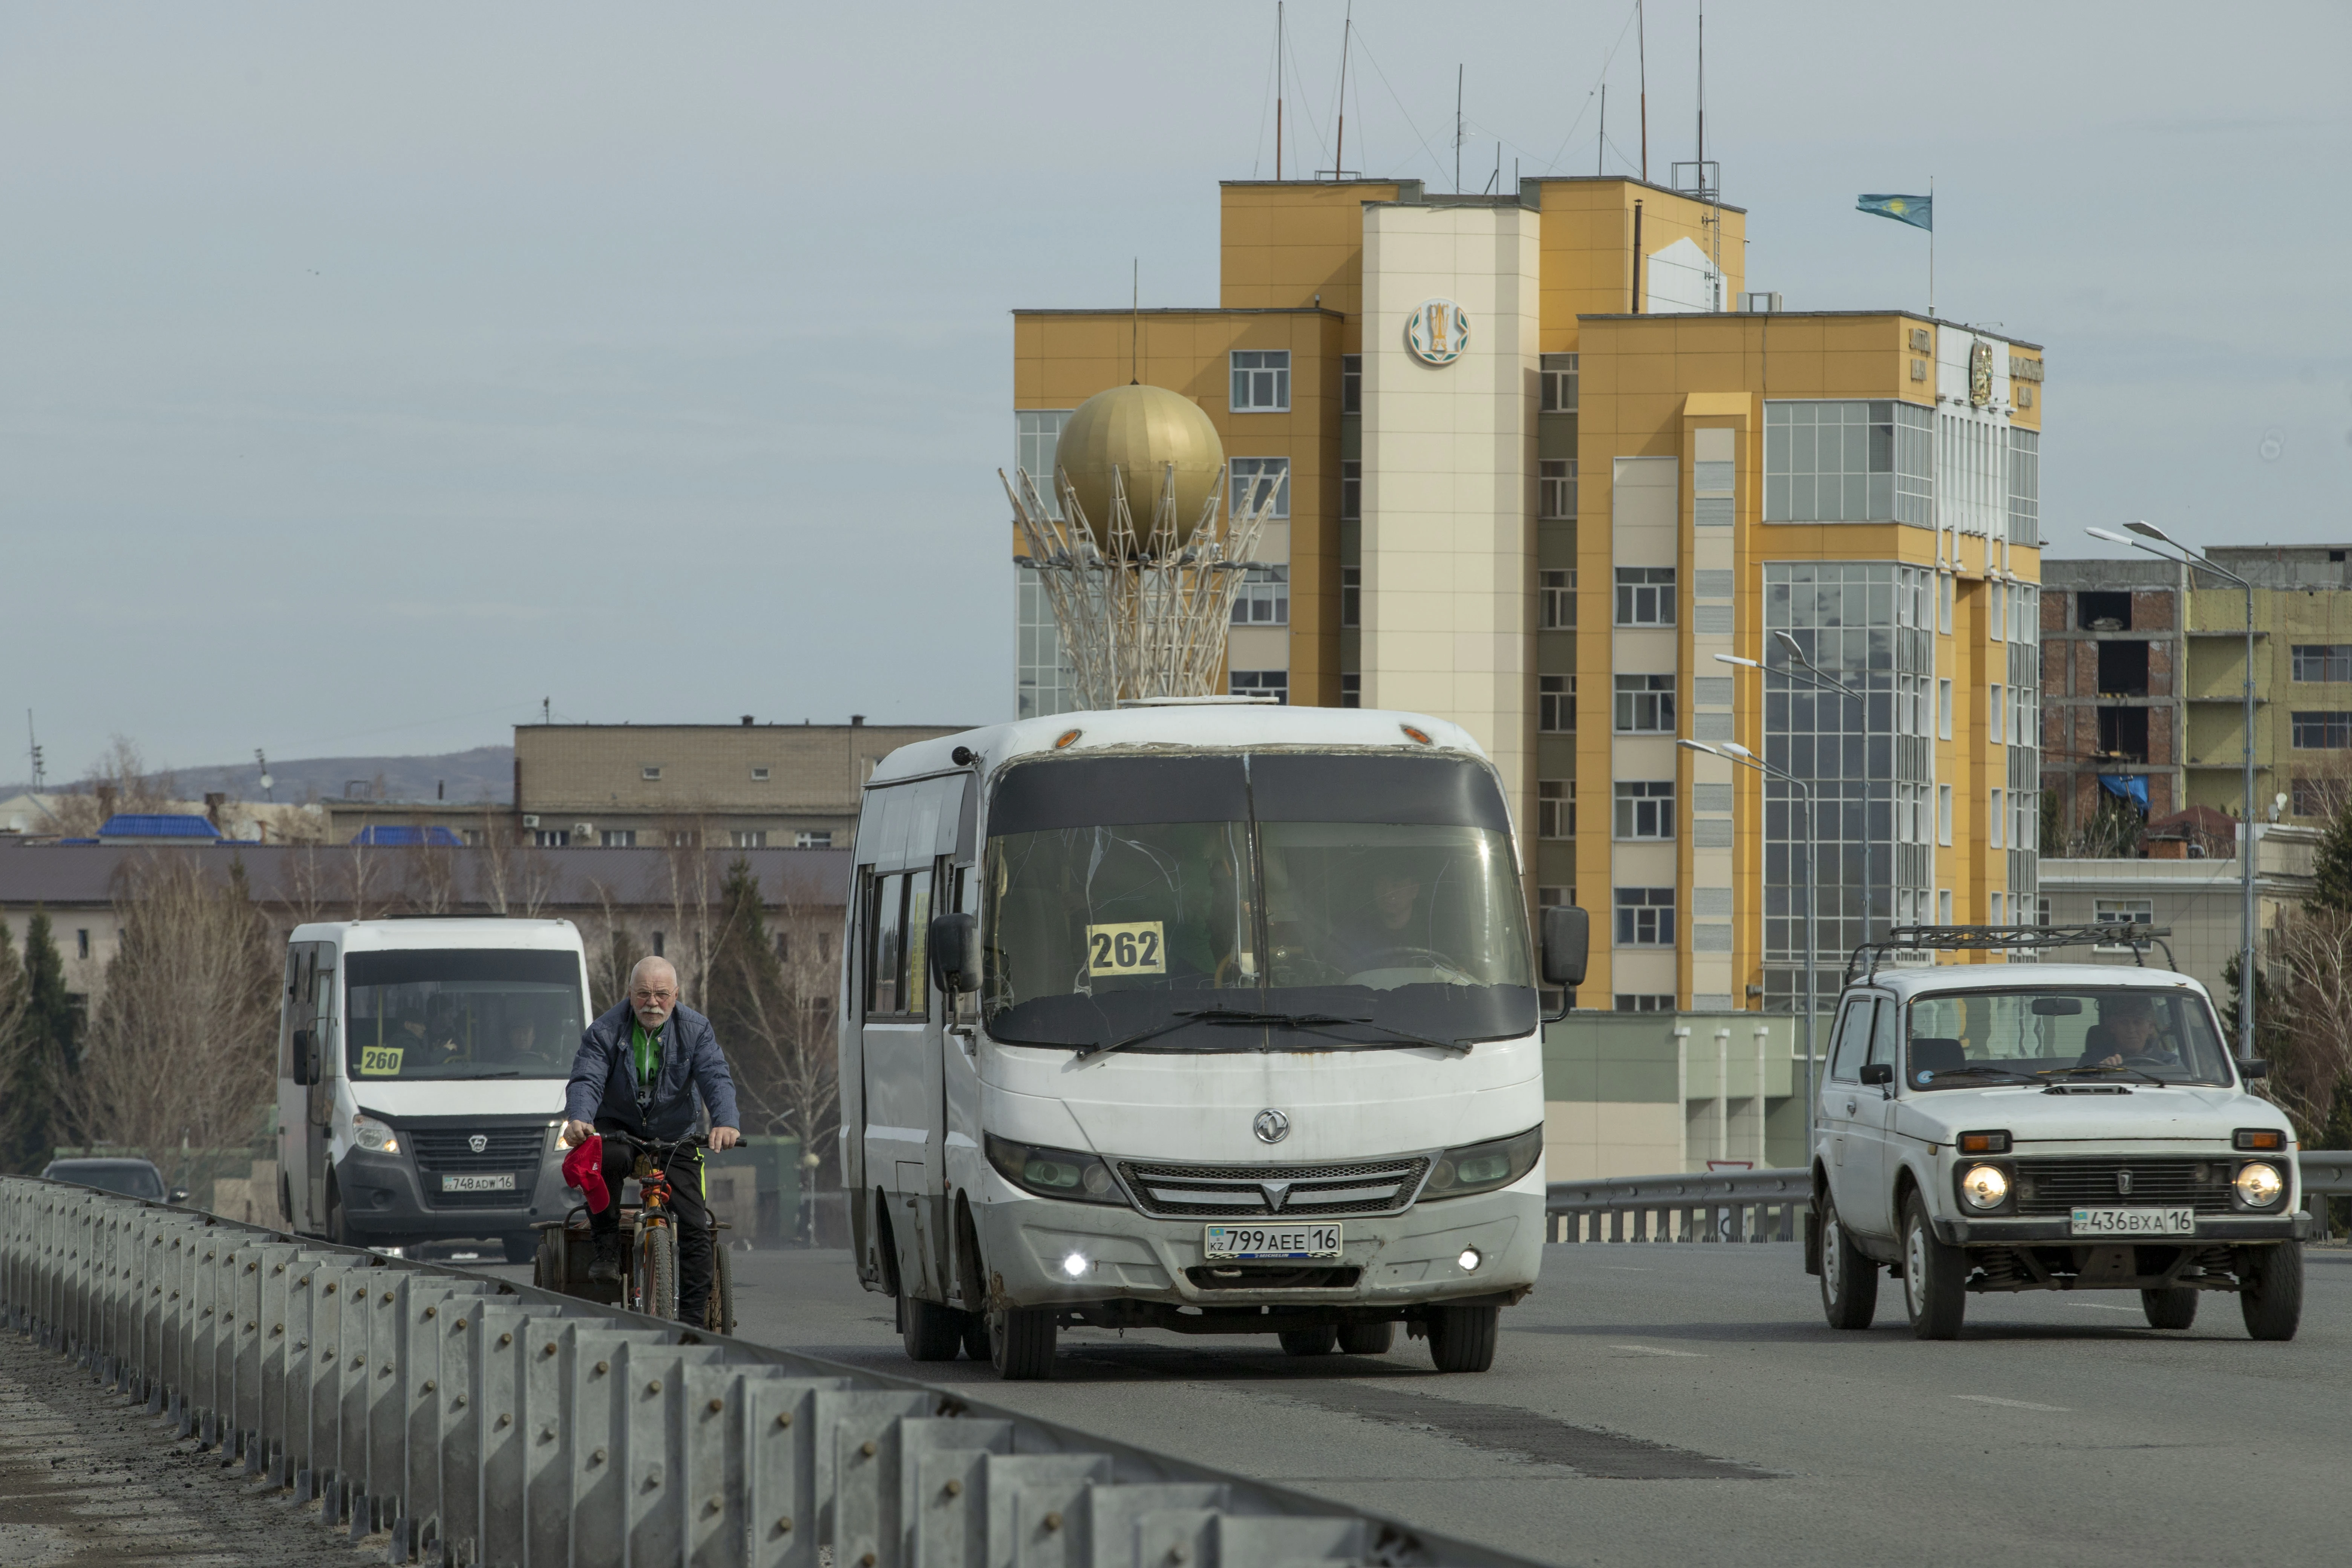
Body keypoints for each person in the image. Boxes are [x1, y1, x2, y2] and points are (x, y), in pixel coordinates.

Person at [562, 957, 741, 1321]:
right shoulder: (605, 1030)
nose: (652, 1002)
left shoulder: (696, 1029)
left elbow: (716, 1076)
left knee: (694, 1223)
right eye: (643, 993)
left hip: (675, 1133)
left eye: (661, 994)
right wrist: (580, 1116)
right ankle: (607, 1248)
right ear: (630, 994)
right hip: (619, 1126)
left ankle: (692, 1322)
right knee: (606, 1158)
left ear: (676, 995)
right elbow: (587, 1077)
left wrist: (726, 1121)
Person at [2082, 994, 2179, 1070]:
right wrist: (2099, 1071)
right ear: (2113, 1027)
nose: (2131, 1029)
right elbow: (2075, 1081)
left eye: (2138, 1022)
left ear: (2150, 1027)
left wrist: (2170, 1074)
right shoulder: (2093, 1060)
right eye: (2124, 1023)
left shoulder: (2169, 1061)